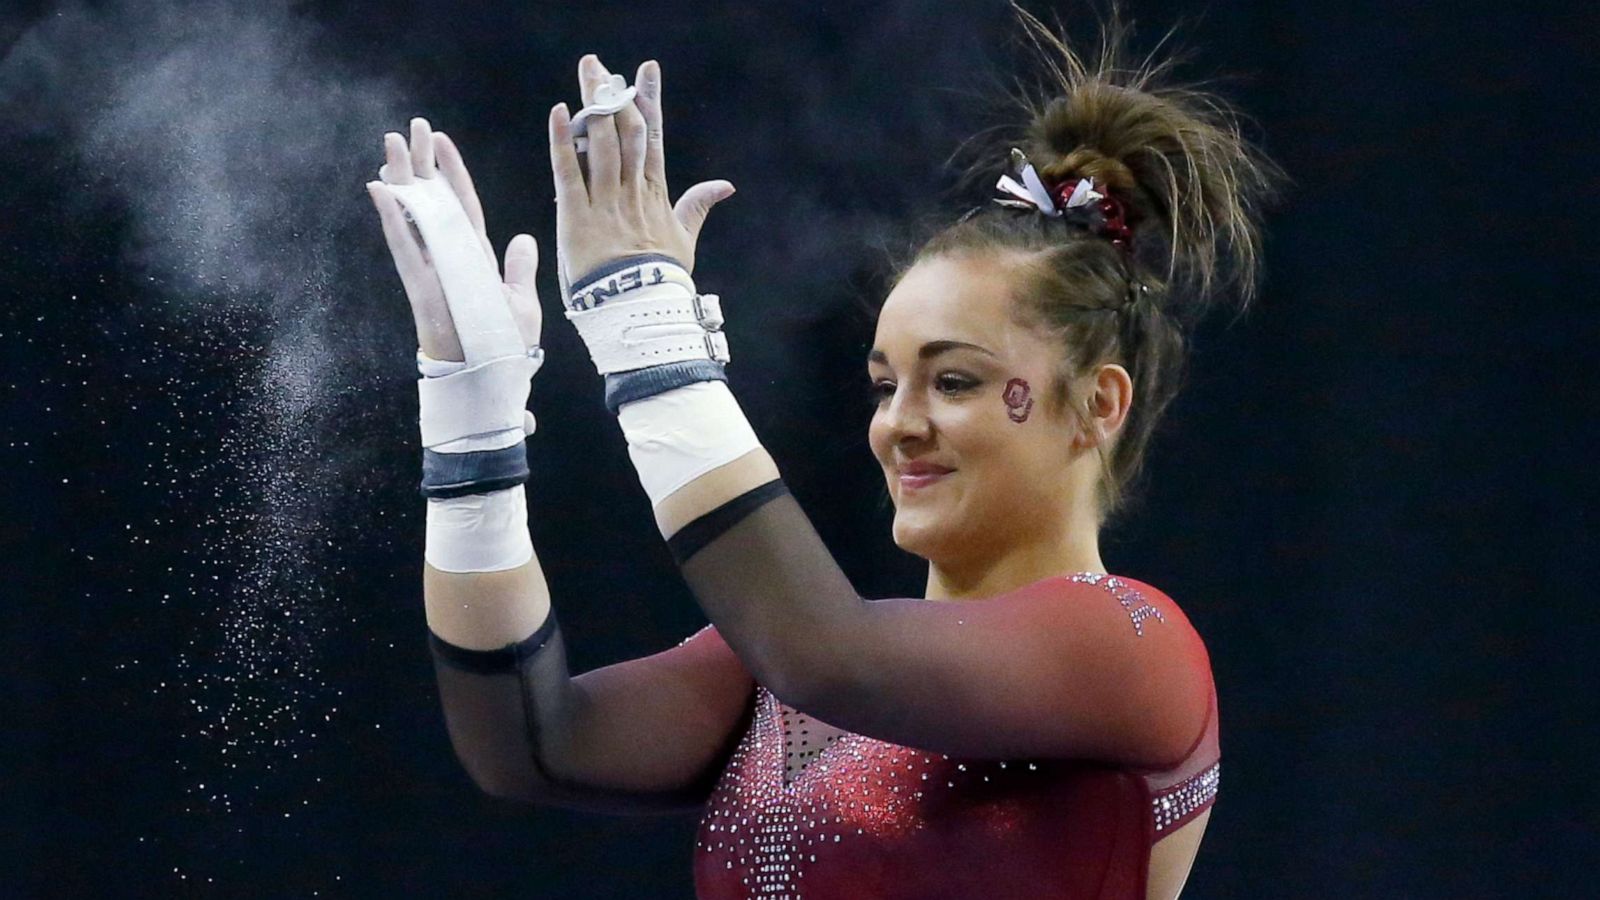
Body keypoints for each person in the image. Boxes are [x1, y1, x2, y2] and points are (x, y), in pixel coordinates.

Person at [365, 9, 1278, 898]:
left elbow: (829, 656)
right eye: (885, 386)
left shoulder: (1129, 646)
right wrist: (473, 427)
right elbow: (530, 743)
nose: (898, 425)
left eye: (953, 381)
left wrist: (647, 336)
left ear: (1097, 404)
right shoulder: (778, 665)